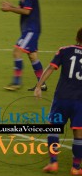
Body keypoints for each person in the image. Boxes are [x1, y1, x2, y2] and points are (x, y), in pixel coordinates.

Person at [34, 28, 82, 175]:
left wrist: (38, 86)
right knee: (79, 134)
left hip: (61, 98)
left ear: (77, 37)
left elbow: (50, 68)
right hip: (80, 101)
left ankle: (53, 163)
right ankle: (76, 168)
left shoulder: (65, 50)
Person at [1, 0, 45, 91]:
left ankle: (16, 83)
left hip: (31, 29)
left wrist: (10, 9)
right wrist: (11, 7)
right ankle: (42, 83)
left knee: (17, 51)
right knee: (32, 56)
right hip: (28, 29)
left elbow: (26, 11)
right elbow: (22, 9)